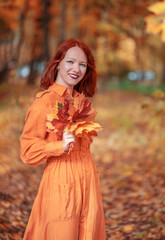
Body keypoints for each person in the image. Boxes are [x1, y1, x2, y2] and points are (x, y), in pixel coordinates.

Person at [20, 38, 106, 240]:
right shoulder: (44, 103)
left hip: (88, 179)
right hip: (61, 182)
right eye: (70, 62)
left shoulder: (80, 102)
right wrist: (59, 146)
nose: (77, 68)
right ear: (58, 63)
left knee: (89, 231)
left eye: (82, 64)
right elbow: (28, 151)